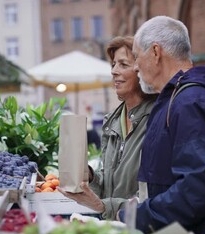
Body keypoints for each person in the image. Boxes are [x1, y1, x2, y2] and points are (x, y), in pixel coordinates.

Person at [117, 15, 205, 234]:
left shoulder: (191, 102)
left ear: (156, 52)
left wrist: (135, 217)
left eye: (137, 56)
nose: (136, 66)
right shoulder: (180, 98)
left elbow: (196, 189)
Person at [58, 36, 157, 220]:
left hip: (140, 228)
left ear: (141, 70)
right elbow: (107, 186)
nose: (113, 71)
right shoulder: (111, 121)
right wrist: (89, 177)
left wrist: (104, 207)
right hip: (112, 227)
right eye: (113, 64)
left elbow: (152, 196)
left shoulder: (156, 119)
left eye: (123, 64)